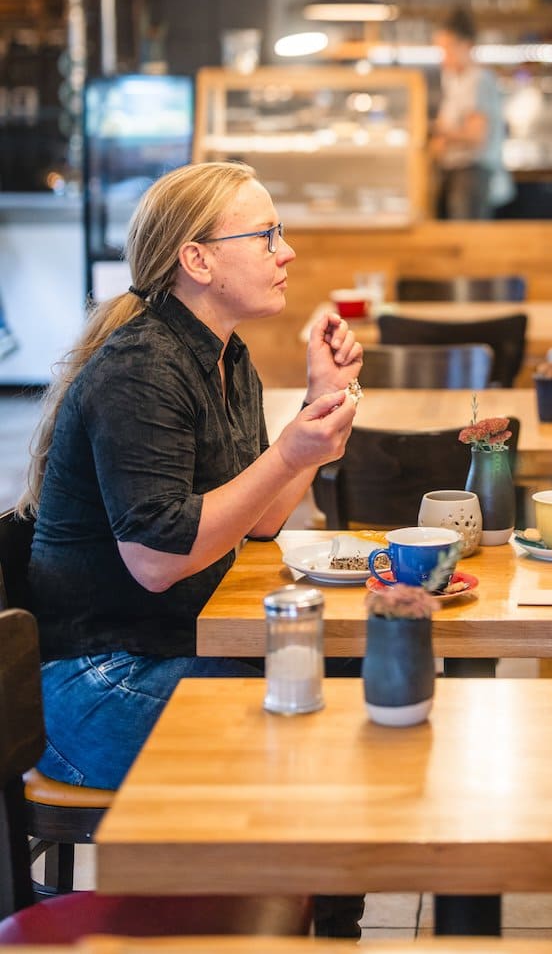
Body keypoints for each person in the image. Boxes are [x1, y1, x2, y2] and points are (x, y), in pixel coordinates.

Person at [20, 160, 365, 936]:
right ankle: (281, 927)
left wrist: (314, 417)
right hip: (97, 682)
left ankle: (323, 928)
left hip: (169, 647)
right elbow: (158, 559)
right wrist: (289, 454)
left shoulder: (224, 353)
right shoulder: (141, 370)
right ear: (198, 260)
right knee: (326, 736)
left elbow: (261, 523)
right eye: (267, 234)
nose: (289, 251)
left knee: (348, 681)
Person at [430, 6, 512, 219]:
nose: (443, 57)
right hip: (456, 173)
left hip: (473, 176)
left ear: (465, 45)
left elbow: (476, 135)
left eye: (446, 49)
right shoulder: (453, 79)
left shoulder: (479, 80)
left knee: (469, 244)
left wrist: (439, 133)